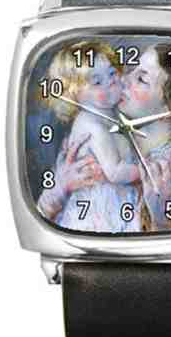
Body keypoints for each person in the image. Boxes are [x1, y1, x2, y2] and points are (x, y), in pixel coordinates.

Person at [38, 43, 171, 232]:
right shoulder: (93, 140)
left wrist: (160, 218)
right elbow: (40, 226)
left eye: (141, 79)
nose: (123, 79)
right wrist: (58, 192)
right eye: (132, 70)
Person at [41, 41, 141, 232]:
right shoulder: (92, 125)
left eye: (112, 73)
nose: (110, 82)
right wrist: (145, 171)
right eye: (97, 82)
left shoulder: (112, 113)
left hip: (118, 201)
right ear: (74, 94)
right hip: (100, 210)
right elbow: (115, 172)